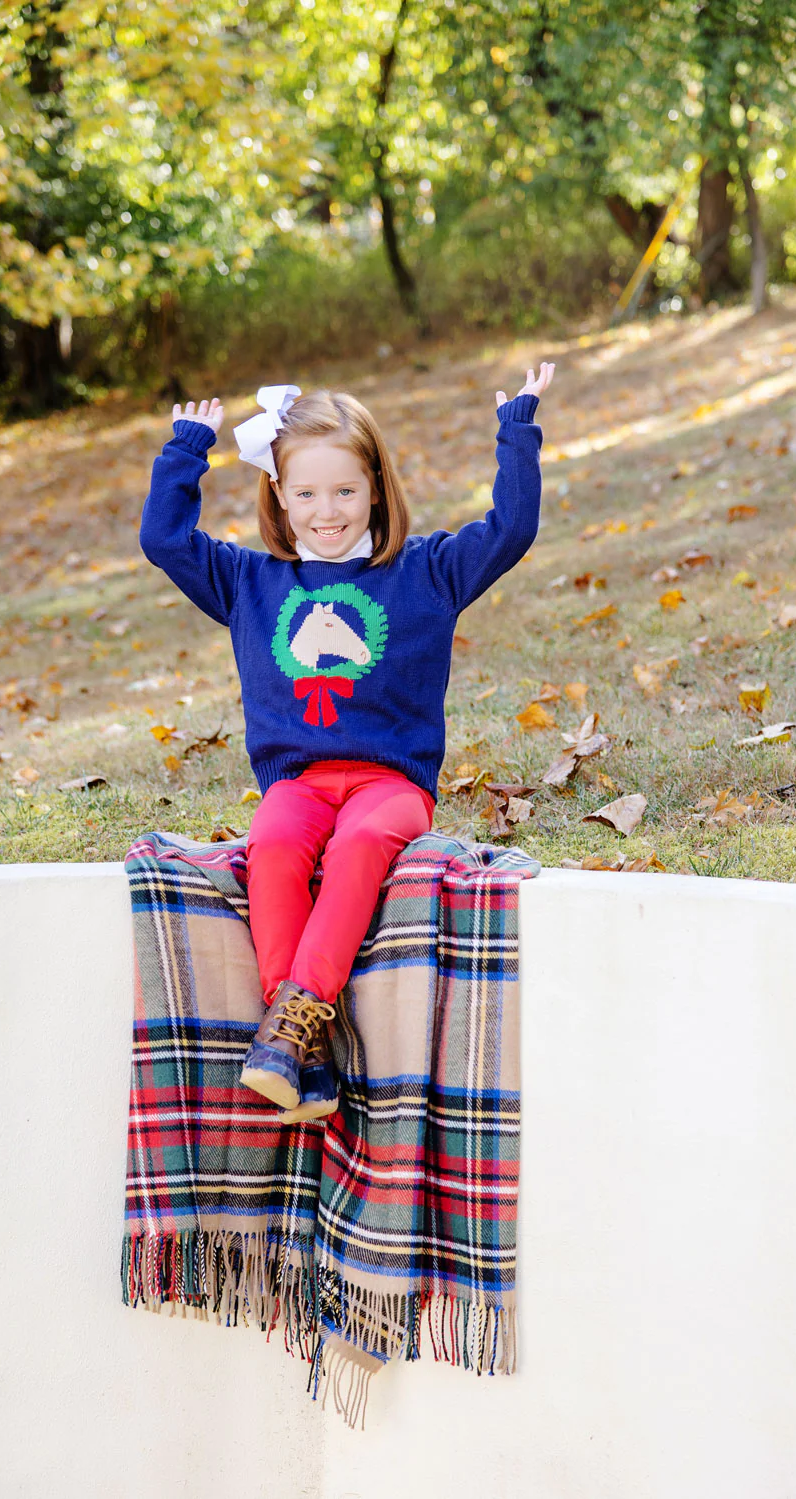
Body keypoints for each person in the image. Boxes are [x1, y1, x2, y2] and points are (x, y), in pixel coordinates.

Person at [139, 362, 554, 1124]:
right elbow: (164, 539)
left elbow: (512, 529)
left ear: (374, 489)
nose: (325, 510)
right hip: (296, 783)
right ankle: (306, 1055)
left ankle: (292, 1022)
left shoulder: (426, 571)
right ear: (279, 497)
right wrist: (185, 450)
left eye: (343, 491)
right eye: (305, 493)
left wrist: (517, 433)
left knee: (363, 845)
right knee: (272, 847)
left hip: (390, 784)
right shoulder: (249, 582)